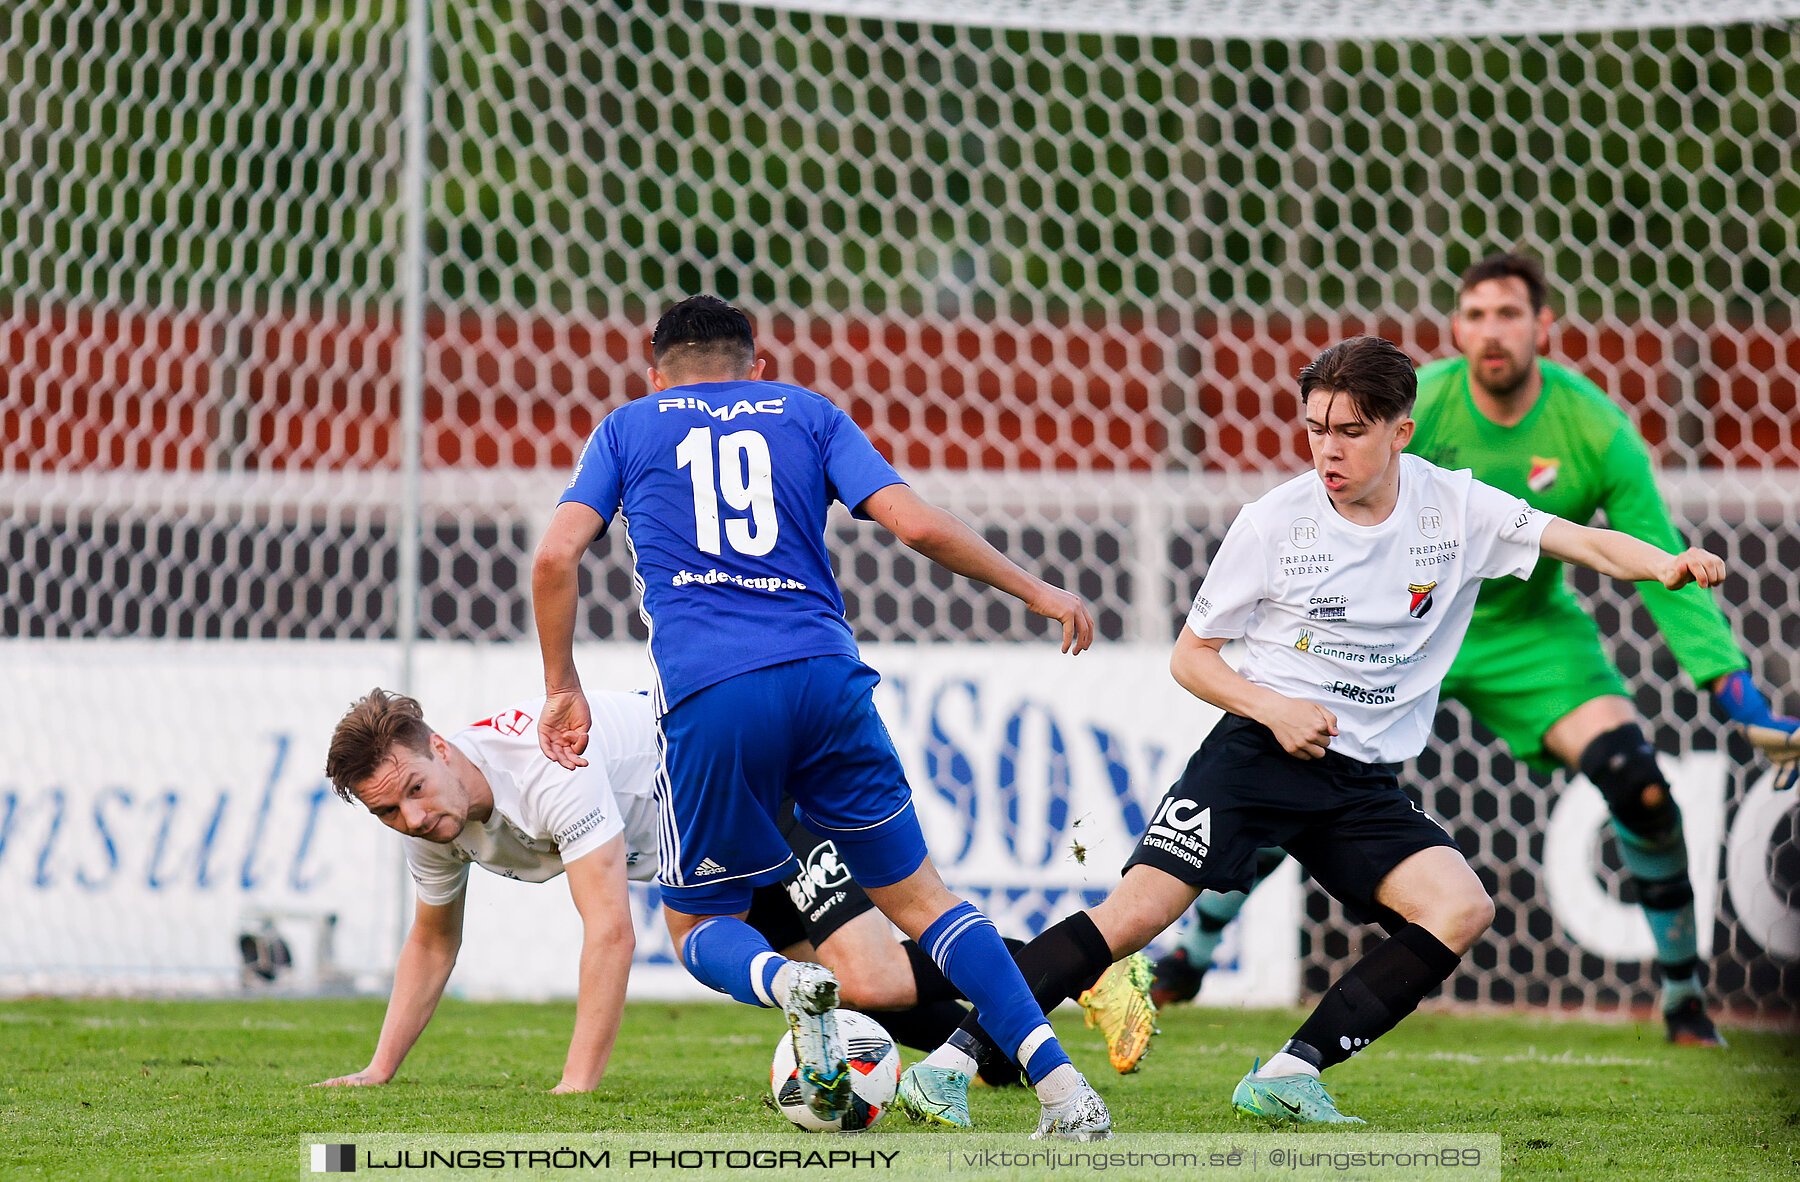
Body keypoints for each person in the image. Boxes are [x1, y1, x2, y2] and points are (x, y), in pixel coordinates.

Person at [904, 335, 1727, 1126]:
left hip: (1358, 776)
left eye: (1350, 432)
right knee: (1132, 920)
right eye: (1314, 429)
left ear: (1402, 432)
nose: (1326, 451)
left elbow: (1574, 539)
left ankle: (1291, 1075)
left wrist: (1661, 563)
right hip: (1255, 756)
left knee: (1459, 908)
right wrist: (1275, 708)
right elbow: (1192, 659)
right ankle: (951, 1062)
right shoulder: (1275, 524)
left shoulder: (1456, 506)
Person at [1151, 254, 1799, 1046]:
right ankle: (1192, 954)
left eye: (1507, 314)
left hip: (1526, 634)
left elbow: (1654, 559)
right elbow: (1325, 495)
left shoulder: (1595, 428)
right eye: (1474, 314)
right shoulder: (1416, 407)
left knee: (1640, 784)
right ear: (1456, 327)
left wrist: (1745, 704)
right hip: (1387, 631)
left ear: (1544, 328)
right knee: (1301, 788)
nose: (1489, 331)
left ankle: (1685, 1002)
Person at [532, 295, 1111, 1139]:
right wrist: (1037, 589)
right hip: (828, 677)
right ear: (757, 366)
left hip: (712, 694)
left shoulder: (628, 426)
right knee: (926, 903)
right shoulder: (807, 412)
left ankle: (787, 982)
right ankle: (1063, 1089)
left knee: (699, 920)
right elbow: (912, 523)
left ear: (655, 375)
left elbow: (554, 554)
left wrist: (562, 683)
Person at [311, 687, 1039, 1092]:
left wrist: (575, 1086)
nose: (412, 818)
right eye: (387, 812)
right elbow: (432, 943)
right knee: (828, 988)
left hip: (752, 791)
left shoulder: (542, 768)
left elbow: (610, 931)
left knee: (870, 979)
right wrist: (379, 1070)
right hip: (702, 851)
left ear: (440, 749)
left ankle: (1071, 963)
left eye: (412, 790)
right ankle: (1009, 1031)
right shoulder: (425, 824)